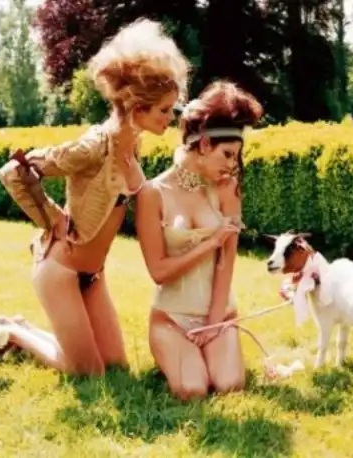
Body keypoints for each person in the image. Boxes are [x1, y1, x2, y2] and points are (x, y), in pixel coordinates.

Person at [0, 18, 190, 376]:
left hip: (93, 274)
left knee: (115, 368)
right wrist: (52, 216)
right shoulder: (94, 146)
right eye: (164, 110)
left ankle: (22, 326)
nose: (169, 118)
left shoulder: (133, 145)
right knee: (87, 372)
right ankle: (13, 333)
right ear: (137, 108)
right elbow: (14, 171)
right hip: (60, 270)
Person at [135, 80, 264, 399]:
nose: (232, 165)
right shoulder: (153, 193)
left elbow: (226, 263)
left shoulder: (227, 189)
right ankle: (179, 354)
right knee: (193, 389)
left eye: (236, 156)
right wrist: (210, 242)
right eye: (227, 154)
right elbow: (158, 272)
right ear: (204, 144)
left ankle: (210, 348)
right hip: (172, 318)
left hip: (218, 313)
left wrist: (215, 322)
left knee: (229, 386)